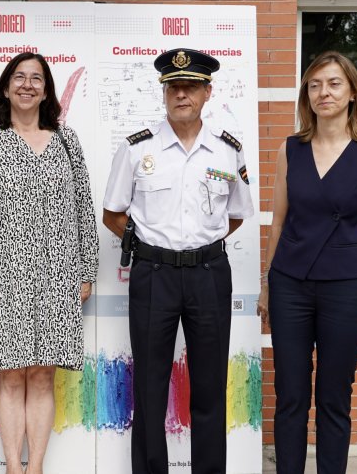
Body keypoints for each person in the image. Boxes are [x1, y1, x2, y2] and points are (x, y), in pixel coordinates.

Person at [102, 48, 254, 474]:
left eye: (190, 87)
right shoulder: (136, 149)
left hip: (209, 276)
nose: (181, 94)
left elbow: (238, 214)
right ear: (164, 92)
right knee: (150, 387)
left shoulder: (227, 152)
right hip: (154, 276)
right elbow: (113, 214)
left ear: (208, 92)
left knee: (208, 386)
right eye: (173, 87)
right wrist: (153, 245)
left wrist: (200, 244)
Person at [0, 52, 100, 474]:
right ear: (5, 87)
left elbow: (83, 208)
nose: (27, 84)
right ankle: (13, 469)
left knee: (42, 375)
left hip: (58, 274)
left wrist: (86, 270)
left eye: (37, 78)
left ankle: (34, 467)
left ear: (47, 91)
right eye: (19, 77)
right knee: (11, 375)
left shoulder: (67, 141)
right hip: (3, 277)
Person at [258, 51, 357, 474]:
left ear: (353, 93)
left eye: (334, 83)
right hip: (290, 286)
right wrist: (267, 284)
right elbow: (277, 221)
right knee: (290, 396)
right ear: (307, 93)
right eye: (316, 84)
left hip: (347, 289)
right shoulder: (291, 149)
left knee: (335, 398)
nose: (324, 92)